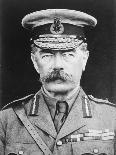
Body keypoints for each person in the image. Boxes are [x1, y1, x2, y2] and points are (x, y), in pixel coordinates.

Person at [0, 9, 116, 155]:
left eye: (68, 54)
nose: (57, 65)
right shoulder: (6, 120)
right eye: (47, 55)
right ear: (34, 61)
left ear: (84, 59)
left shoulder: (111, 118)